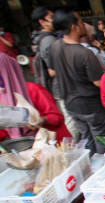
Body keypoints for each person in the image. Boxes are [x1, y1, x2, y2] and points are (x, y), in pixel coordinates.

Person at [48, 8, 105, 154]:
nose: (84, 24)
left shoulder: (55, 46)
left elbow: (51, 72)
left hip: (71, 104)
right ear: (74, 27)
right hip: (91, 107)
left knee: (87, 143)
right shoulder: (84, 53)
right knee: (103, 143)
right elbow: (98, 82)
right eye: (80, 21)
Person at [31, 6, 80, 141]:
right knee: (72, 124)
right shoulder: (49, 41)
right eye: (51, 17)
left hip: (64, 88)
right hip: (63, 88)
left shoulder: (49, 39)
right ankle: (71, 152)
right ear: (42, 22)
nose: (55, 20)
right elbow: (52, 70)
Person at [0, 54, 71, 143]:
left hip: (51, 144)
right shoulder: (2, 96)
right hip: (24, 146)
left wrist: (42, 120)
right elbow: (4, 129)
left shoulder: (33, 89)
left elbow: (57, 118)